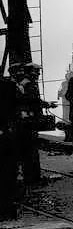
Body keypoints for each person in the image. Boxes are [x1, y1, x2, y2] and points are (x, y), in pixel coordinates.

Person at [14, 62, 44, 184]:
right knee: (29, 150)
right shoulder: (27, 84)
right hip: (27, 122)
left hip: (29, 121)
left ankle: (33, 176)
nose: (38, 74)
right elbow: (31, 102)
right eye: (37, 72)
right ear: (32, 72)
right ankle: (32, 177)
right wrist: (45, 104)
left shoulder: (28, 84)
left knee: (31, 149)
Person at [0, 73, 19, 218]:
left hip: (6, 135)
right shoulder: (9, 86)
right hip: (7, 134)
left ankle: (7, 207)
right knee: (9, 172)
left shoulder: (9, 86)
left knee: (8, 172)